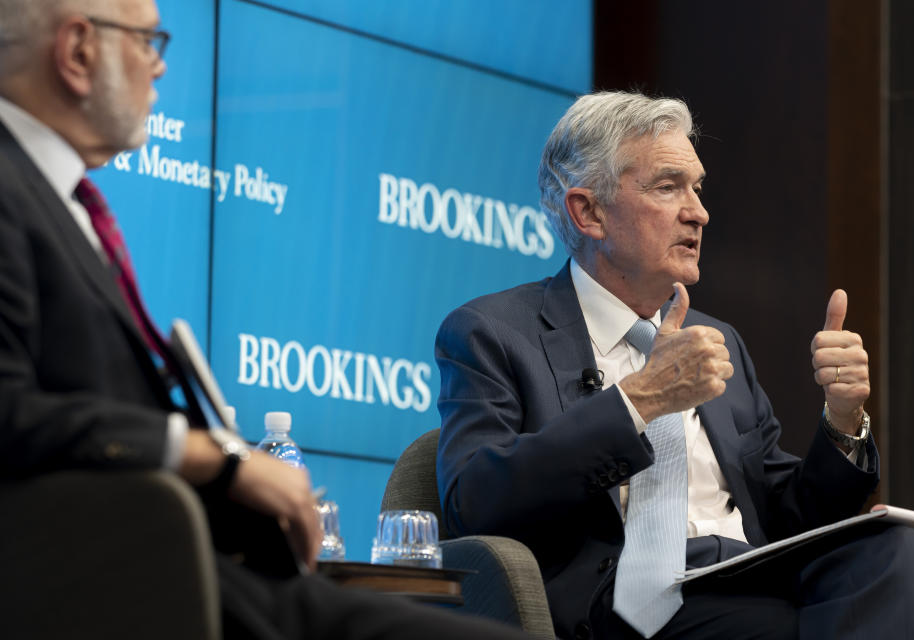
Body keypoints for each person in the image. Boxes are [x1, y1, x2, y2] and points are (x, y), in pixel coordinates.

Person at [0, 1, 529, 638]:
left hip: (200, 573)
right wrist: (217, 457)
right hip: (114, 587)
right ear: (79, 51)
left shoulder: (61, 201)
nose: (161, 66)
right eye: (147, 40)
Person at [435, 91, 914, 639]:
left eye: (696, 188)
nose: (699, 211)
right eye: (668, 186)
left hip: (753, 574)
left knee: (893, 549)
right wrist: (641, 399)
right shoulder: (493, 333)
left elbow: (793, 515)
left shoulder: (718, 339)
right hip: (628, 603)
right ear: (589, 212)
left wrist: (842, 420)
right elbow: (473, 503)